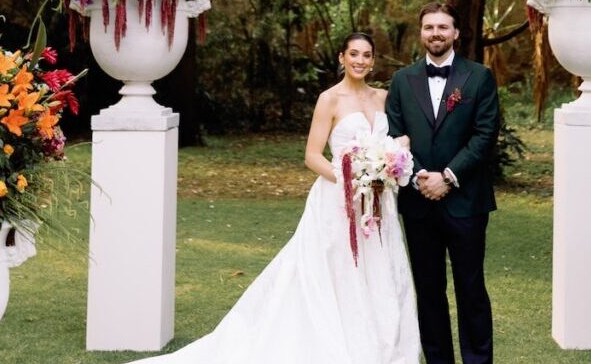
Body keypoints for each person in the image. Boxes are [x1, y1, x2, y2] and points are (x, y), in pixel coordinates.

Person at [129, 33, 420, 363]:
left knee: (379, 271)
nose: (360, 61)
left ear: (373, 61)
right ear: (342, 58)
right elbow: (312, 155)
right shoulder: (330, 100)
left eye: (367, 55)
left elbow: (398, 139)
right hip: (338, 201)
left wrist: (390, 159)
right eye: (353, 54)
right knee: (337, 271)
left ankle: (381, 346)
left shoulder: (383, 97)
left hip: (378, 203)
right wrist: (349, 178)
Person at [386, 3, 500, 364]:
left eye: (443, 27)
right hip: (418, 202)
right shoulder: (402, 80)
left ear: (456, 33)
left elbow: (485, 134)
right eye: (429, 27)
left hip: (466, 201)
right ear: (421, 32)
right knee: (429, 291)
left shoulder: (478, 76)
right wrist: (420, 175)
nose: (436, 33)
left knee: (471, 289)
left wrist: (449, 177)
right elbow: (394, 133)